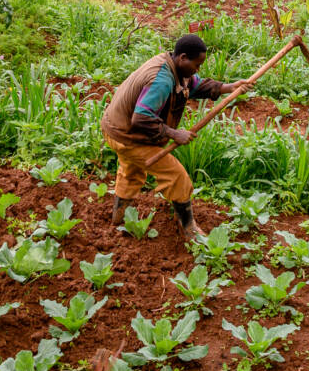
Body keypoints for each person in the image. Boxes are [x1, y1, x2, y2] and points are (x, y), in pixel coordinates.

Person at [100, 33, 255, 246]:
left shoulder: (174, 67)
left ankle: (117, 219)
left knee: (131, 172)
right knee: (177, 177)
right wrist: (174, 133)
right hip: (128, 135)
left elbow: (193, 84)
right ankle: (189, 230)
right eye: (197, 64)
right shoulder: (161, 80)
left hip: (116, 127)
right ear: (183, 57)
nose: (198, 69)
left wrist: (228, 87)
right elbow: (141, 118)